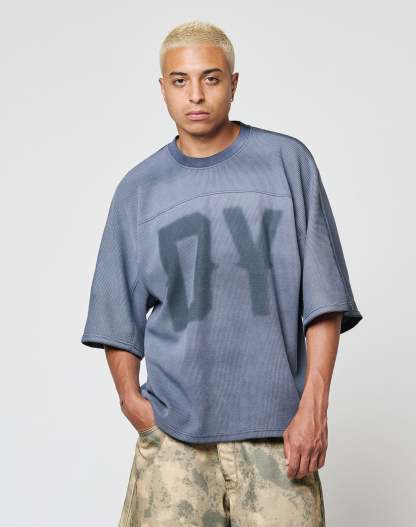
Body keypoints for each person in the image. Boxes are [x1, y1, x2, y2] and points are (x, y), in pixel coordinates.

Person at [81, 19, 363, 527]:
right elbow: (115, 313)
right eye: (180, 80)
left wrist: (314, 407)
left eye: (210, 78)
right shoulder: (139, 189)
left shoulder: (287, 162)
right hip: (175, 439)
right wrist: (133, 403)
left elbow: (324, 300)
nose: (196, 94)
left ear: (233, 83)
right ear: (163, 89)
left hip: (279, 434)